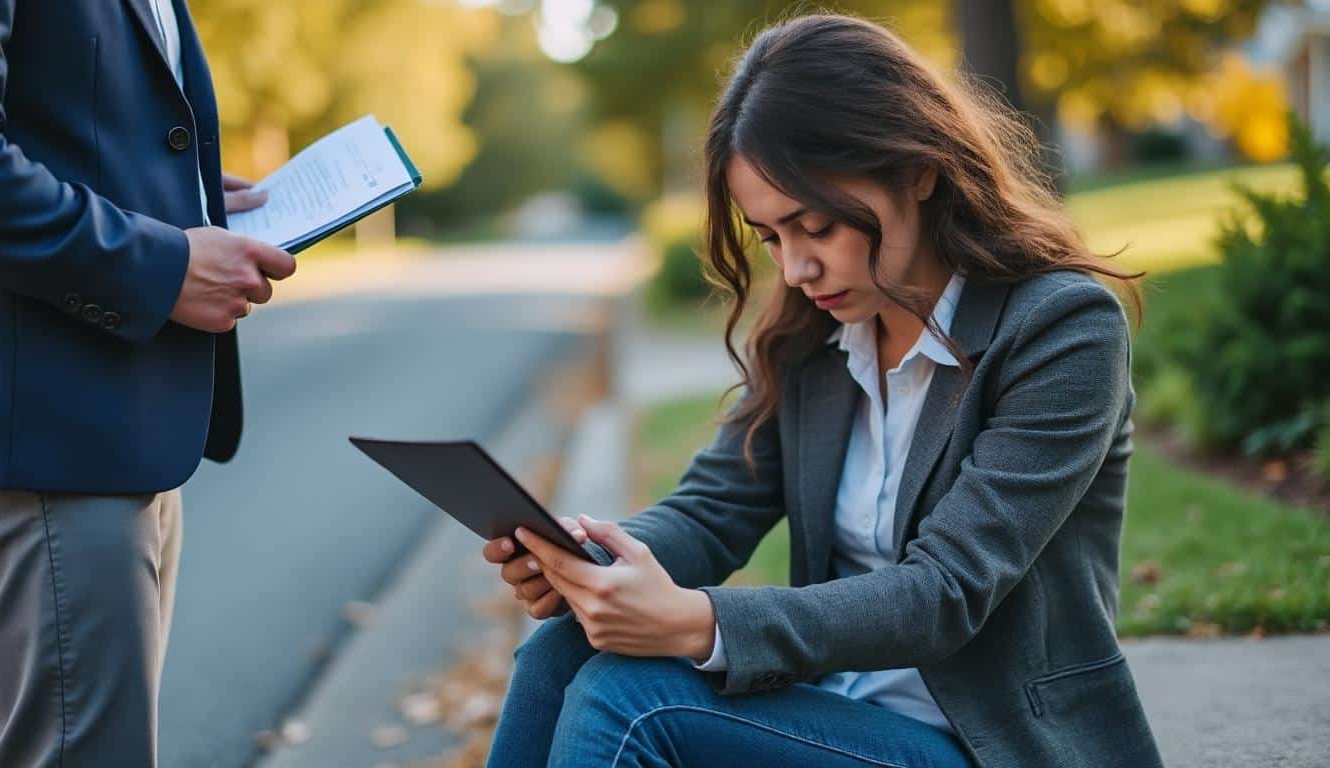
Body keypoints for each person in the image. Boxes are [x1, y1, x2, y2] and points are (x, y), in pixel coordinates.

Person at [482, 13, 1164, 768]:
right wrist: (595, 565)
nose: (796, 269)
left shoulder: (1060, 328)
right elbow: (714, 510)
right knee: (561, 649)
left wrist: (697, 622)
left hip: (995, 745)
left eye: (814, 226)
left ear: (917, 170)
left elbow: (944, 592)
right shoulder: (814, 335)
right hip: (836, 715)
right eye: (770, 237)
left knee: (629, 702)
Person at [0, 0, 295, 764]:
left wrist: (175, 195)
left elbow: (64, 122)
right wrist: (163, 264)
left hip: (128, 430)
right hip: (51, 438)